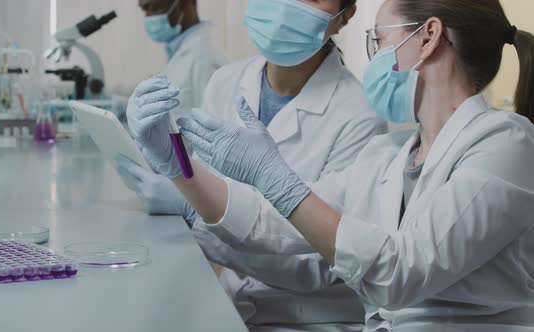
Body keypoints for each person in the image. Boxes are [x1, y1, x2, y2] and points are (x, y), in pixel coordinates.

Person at [128, 0, 534, 331]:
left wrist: (278, 180)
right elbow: (273, 223)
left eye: (380, 41)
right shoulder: (389, 155)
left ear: (427, 37)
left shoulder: (505, 143)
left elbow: (401, 274)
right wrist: (177, 165)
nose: (373, 60)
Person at [120, 0, 388, 331]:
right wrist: (171, 156)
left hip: (306, 318)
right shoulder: (226, 81)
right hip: (230, 300)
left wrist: (194, 213)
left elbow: (321, 265)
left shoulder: (359, 115)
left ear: (344, 17)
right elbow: (204, 184)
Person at [139, 0, 225, 111]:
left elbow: (215, 120)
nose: (150, 17)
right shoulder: (181, 49)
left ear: (188, 3)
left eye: (157, 8)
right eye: (145, 10)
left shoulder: (205, 57)